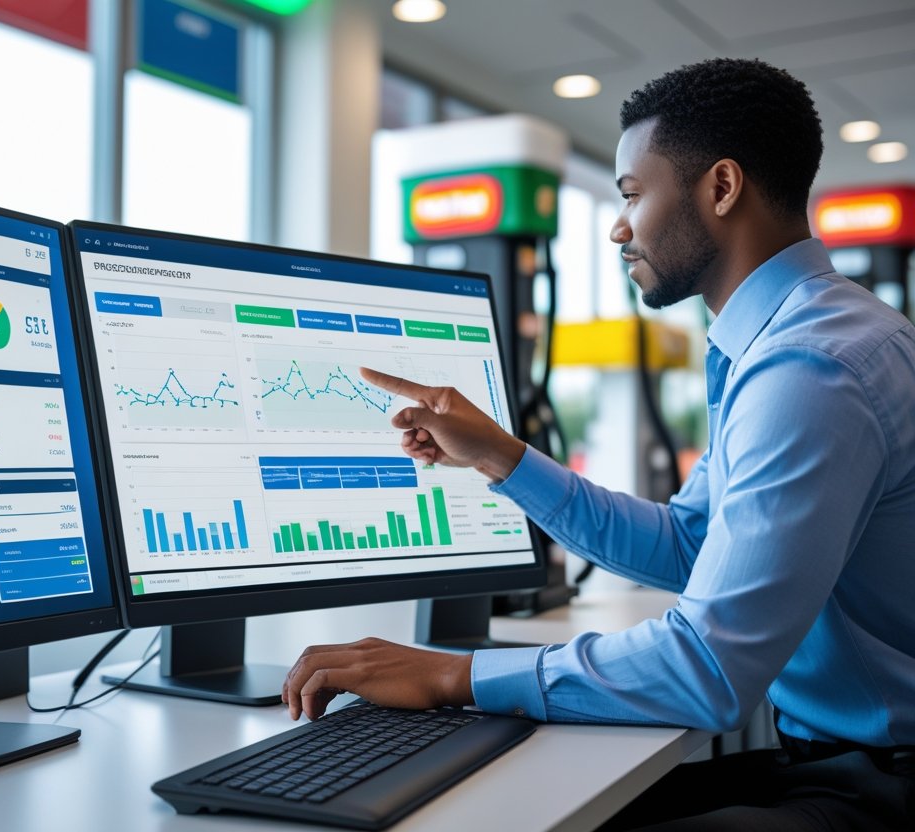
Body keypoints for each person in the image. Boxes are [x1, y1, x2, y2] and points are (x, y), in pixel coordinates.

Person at [281, 58, 915, 830]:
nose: (618, 227)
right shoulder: (796, 340)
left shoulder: (810, 369)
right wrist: (500, 458)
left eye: (632, 195)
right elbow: (690, 544)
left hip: (880, 787)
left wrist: (453, 677)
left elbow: (707, 670)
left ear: (721, 188)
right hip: (838, 761)